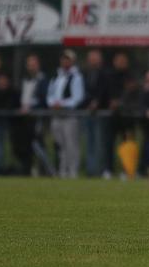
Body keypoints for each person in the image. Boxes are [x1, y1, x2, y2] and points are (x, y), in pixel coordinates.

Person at [47, 49, 85, 178]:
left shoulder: (76, 77)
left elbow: (77, 98)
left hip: (69, 115)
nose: (65, 61)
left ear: (72, 61)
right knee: (60, 145)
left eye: (68, 59)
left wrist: (61, 103)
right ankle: (63, 170)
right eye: (63, 59)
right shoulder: (56, 76)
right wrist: (53, 103)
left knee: (71, 144)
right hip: (56, 115)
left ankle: (73, 171)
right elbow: (50, 94)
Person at [81, 49, 110, 177]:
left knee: (100, 143)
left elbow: (104, 90)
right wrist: (89, 103)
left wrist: (97, 102)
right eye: (91, 58)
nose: (93, 60)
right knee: (89, 143)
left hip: (101, 113)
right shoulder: (84, 74)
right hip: (88, 112)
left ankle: (101, 170)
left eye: (95, 58)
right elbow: (83, 91)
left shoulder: (105, 74)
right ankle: (91, 171)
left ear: (100, 59)